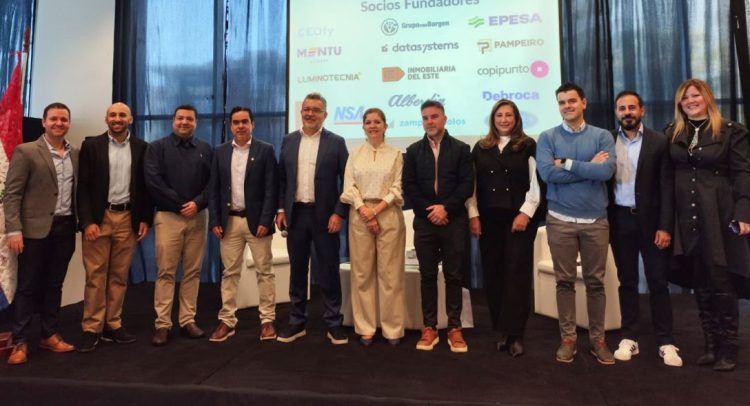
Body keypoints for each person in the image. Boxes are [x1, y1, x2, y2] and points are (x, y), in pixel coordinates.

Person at [666, 78, 750, 372]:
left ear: (707, 98)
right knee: (699, 279)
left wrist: (744, 213)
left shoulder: (730, 131)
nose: (690, 101)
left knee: (721, 279)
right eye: (685, 97)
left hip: (718, 212)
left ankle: (729, 347)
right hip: (686, 214)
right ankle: (711, 345)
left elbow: (743, 173)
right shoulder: (674, 132)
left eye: (695, 95)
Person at [536, 82, 616, 364]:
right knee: (564, 282)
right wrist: (589, 167)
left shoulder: (602, 136)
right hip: (560, 221)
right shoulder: (547, 137)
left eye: (572, 101)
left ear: (583, 102)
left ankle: (598, 340)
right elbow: (548, 175)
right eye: (562, 102)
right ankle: (568, 339)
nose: (567, 106)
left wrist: (568, 163)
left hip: (595, 221)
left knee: (596, 283)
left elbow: (606, 172)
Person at [607, 91, 682, 367]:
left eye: (632, 107)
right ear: (616, 112)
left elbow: (667, 187)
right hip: (619, 220)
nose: (627, 112)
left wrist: (665, 226)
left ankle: (665, 340)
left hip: (651, 223)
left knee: (658, 281)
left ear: (642, 110)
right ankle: (629, 337)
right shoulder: (607, 140)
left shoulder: (659, 141)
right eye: (622, 108)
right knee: (626, 281)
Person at [466, 99, 541, 357]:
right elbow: (472, 186)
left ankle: (516, 333)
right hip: (489, 219)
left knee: (516, 275)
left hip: (518, 219)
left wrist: (525, 213)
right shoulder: (481, 147)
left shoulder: (528, 145)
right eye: (499, 115)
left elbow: (535, 184)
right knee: (494, 273)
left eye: (509, 115)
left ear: (516, 118)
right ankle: (502, 330)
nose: (504, 120)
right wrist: (473, 216)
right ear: (493, 119)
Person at [5, 102, 79, 365]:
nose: (59, 123)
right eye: (54, 119)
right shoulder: (26, 151)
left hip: (65, 228)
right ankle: (20, 340)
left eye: (64, 119)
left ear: (68, 123)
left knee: (54, 284)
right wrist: (14, 229)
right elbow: (12, 194)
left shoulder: (75, 153)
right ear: (44, 122)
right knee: (28, 286)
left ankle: (49, 334)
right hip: (33, 231)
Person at [76, 102, 153, 352]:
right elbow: (82, 187)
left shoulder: (141, 147)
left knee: (119, 276)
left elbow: (145, 187)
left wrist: (144, 218)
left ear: (130, 119)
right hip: (99, 219)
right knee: (95, 275)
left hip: (128, 218)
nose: (117, 119)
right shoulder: (91, 146)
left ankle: (113, 324)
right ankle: (91, 328)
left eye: (122, 115)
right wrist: (87, 221)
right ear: (106, 119)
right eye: (113, 115)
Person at [275, 93, 349, 345]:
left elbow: (347, 181)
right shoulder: (288, 140)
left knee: (328, 270)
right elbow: (282, 178)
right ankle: (297, 321)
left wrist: (339, 212)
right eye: (306, 109)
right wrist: (281, 210)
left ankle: (334, 322)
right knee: (297, 270)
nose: (310, 114)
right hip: (295, 215)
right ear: (301, 112)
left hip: (326, 217)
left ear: (324, 115)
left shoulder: (336, 143)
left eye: (316, 110)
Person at [403, 100, 473, 353]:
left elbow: (466, 185)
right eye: (425, 118)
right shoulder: (412, 151)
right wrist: (431, 211)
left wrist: (446, 208)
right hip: (425, 223)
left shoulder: (462, 149)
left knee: (454, 275)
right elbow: (409, 187)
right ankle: (429, 327)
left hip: (453, 221)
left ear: (444, 119)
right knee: (428, 276)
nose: (429, 121)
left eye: (434, 116)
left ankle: (454, 327)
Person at [144, 104, 213, 346]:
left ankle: (187, 320)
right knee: (166, 271)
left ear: (196, 122)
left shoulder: (205, 149)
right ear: (173, 120)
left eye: (189, 119)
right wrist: (182, 203)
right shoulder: (156, 148)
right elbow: (153, 181)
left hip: (198, 217)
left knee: (193, 271)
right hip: (168, 216)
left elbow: (212, 182)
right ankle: (162, 324)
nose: (184, 122)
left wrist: (198, 203)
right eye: (180, 118)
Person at [208, 106, 278, 342]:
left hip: (257, 223)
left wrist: (266, 220)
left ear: (252, 124)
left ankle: (267, 320)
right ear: (230, 126)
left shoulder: (265, 150)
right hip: (229, 222)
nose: (240, 126)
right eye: (236, 122)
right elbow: (214, 189)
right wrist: (215, 220)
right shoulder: (220, 152)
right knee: (230, 273)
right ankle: (227, 320)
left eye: (244, 122)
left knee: (265, 272)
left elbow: (271, 189)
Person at [340, 108, 406, 347]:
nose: (373, 126)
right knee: (362, 274)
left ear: (385, 126)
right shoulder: (355, 153)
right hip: (360, 214)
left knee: (391, 274)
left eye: (377, 122)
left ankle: (392, 329)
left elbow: (397, 187)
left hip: (388, 213)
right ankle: (366, 328)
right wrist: (364, 211)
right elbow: (349, 187)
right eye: (368, 122)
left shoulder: (396, 154)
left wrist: (375, 212)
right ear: (363, 127)